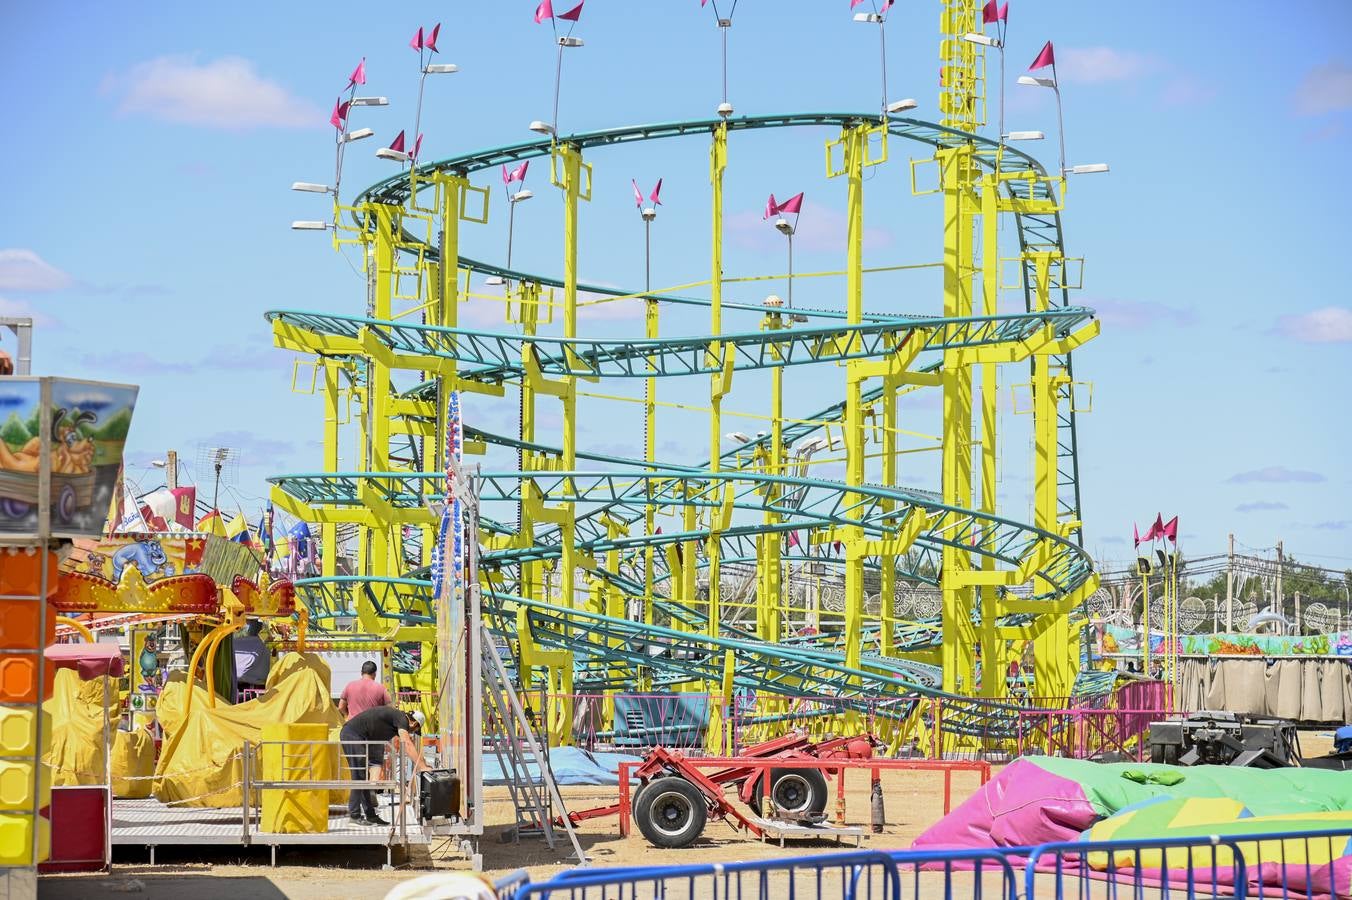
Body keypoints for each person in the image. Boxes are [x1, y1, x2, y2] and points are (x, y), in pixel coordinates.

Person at [340, 705, 428, 825]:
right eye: (414, 730)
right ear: (414, 723)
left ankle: (370, 815)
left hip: (358, 736)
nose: (411, 732)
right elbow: (407, 743)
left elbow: (410, 744)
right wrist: (422, 767)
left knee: (363, 776)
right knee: (359, 775)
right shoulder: (402, 719)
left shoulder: (397, 719)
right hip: (352, 734)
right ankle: (354, 815)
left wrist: (424, 763)